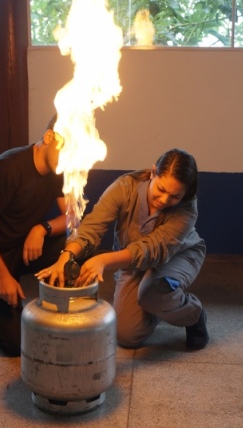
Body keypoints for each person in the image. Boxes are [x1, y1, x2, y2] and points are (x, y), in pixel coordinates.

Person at [36, 148, 209, 350]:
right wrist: (67, 255)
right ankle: (160, 306)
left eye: (174, 196)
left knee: (152, 293)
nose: (164, 200)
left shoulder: (187, 209)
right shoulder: (125, 186)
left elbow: (153, 250)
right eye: (161, 189)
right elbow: (93, 225)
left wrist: (103, 260)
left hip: (178, 255)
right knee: (127, 336)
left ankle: (193, 315)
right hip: (132, 260)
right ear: (153, 172)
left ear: (185, 193)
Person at [0, 114, 68, 357]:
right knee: (15, 345)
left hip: (19, 246)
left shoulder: (59, 168)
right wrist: (3, 276)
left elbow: (72, 217)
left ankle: (60, 314)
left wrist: (42, 229)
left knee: (74, 249)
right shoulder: (9, 168)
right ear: (49, 137)